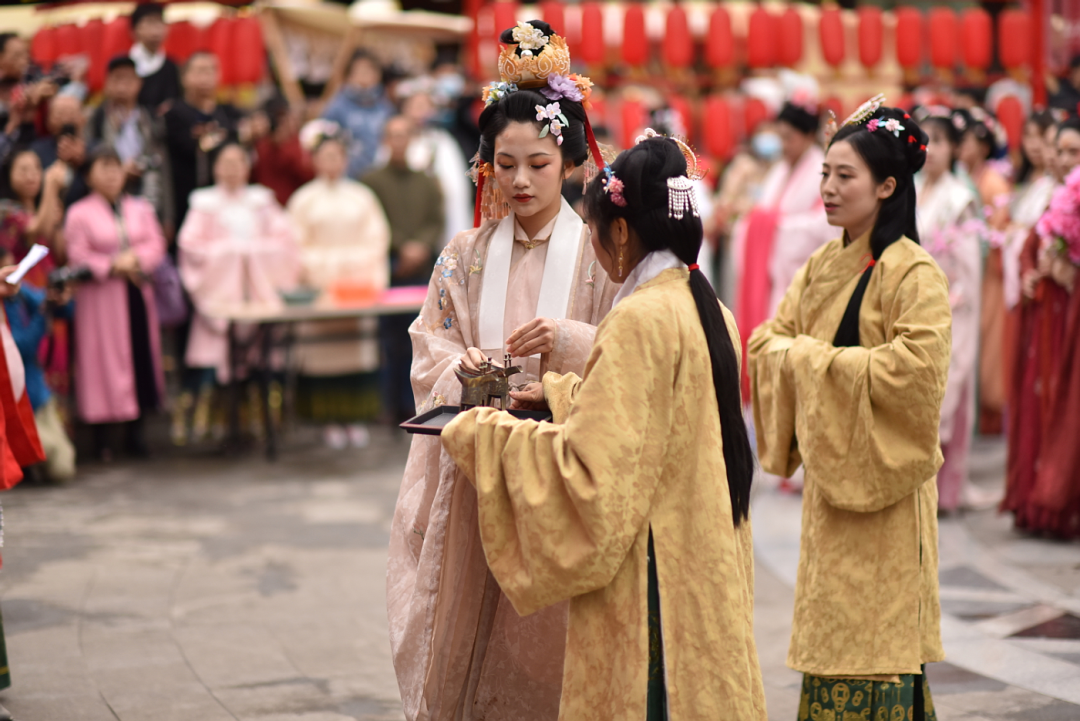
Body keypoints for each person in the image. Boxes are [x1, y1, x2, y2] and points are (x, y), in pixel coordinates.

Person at [440, 134, 766, 719]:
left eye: (595, 228)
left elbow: (593, 476)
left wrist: (487, 435)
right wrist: (563, 391)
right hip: (704, 553)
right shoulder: (710, 307)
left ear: (620, 231)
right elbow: (657, 424)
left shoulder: (638, 318)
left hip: (651, 570)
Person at [386, 21, 620, 720]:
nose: (520, 180)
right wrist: (463, 364)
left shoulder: (602, 253)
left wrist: (570, 342)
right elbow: (429, 338)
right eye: (506, 162)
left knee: (548, 628)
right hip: (474, 461)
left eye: (539, 164)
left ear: (574, 163)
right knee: (464, 609)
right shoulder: (465, 252)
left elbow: (631, 345)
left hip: (557, 466)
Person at [749, 100, 950, 720]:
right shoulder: (819, 266)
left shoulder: (913, 272)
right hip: (831, 483)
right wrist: (812, 358)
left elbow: (919, 371)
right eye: (825, 175)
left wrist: (810, 359)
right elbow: (764, 341)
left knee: (879, 641)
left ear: (888, 186)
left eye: (845, 176)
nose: (830, 188)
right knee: (833, 633)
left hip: (887, 488)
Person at [177, 143, 299, 431]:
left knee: (261, 360)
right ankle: (216, 428)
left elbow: (286, 243)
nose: (232, 169)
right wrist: (235, 254)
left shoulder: (262, 201)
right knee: (216, 363)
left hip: (258, 297)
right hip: (220, 299)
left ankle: (261, 424)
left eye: (238, 162)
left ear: (248, 167)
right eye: (225, 163)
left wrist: (249, 254)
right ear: (215, 167)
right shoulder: (202, 204)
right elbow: (191, 248)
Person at [287, 120, 390, 449]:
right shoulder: (302, 200)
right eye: (325, 156)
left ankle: (356, 417)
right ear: (315, 160)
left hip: (355, 289)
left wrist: (354, 270)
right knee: (322, 354)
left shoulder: (362, 196)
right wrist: (325, 270)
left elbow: (376, 242)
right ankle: (326, 419)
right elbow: (294, 248)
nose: (332, 162)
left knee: (355, 351)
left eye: (338, 155)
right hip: (319, 290)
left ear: (345, 159)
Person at [1002, 118, 1080, 537]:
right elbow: (1031, 246)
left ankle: (1061, 504)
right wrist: (1032, 271)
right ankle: (1037, 501)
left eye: (1073, 152)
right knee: (1039, 404)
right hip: (1046, 320)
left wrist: (1071, 276)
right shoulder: (1054, 197)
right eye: (1060, 149)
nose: (1062, 158)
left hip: (1070, 322)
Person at [731, 97, 839, 399]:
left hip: (799, 276)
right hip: (772, 269)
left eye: (789, 138)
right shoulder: (780, 170)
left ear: (807, 136)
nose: (784, 145)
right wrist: (757, 225)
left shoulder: (822, 169)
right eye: (781, 137)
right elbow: (763, 212)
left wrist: (771, 226)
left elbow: (824, 224)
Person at [65, 146, 167, 458]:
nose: (111, 174)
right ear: (88, 176)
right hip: (101, 298)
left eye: (116, 167)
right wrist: (111, 265)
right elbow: (77, 254)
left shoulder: (139, 207)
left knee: (138, 356)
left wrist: (136, 258)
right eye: (104, 168)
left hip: (136, 293)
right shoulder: (79, 212)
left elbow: (156, 242)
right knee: (101, 361)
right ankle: (101, 438)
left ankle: (136, 433)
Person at [913, 106, 985, 513]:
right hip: (914, 306)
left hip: (950, 307)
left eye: (939, 141)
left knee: (949, 388)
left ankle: (947, 489)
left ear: (955, 147)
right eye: (926, 140)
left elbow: (968, 271)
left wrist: (946, 301)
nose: (932, 149)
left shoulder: (960, 199)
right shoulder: (913, 189)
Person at [362, 115, 444, 425]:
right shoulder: (371, 181)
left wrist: (420, 246)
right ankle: (388, 405)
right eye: (392, 135)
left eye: (403, 135)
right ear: (385, 140)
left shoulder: (425, 180)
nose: (398, 141)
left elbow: (435, 219)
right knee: (389, 341)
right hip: (389, 269)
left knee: (421, 340)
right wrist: (400, 246)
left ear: (411, 139)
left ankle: (416, 404)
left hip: (421, 269)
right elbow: (372, 222)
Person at [956, 107, 1011, 434]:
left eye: (968, 141)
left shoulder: (994, 183)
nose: (963, 147)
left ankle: (988, 415)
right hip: (968, 271)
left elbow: (997, 233)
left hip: (988, 273)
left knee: (989, 342)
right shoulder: (968, 178)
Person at [0, 243, 75, 483]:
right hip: (10, 395)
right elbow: (20, 345)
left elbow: (53, 304)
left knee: (63, 465)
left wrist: (59, 300)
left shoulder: (18, 291)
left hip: (35, 391)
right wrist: (44, 313)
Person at [164, 52, 251, 233]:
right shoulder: (174, 114)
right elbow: (191, 147)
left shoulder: (229, 112)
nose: (207, 77)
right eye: (200, 71)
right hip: (185, 200)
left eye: (212, 71)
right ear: (184, 77)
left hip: (227, 200)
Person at [86, 56, 173, 227]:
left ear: (139, 83)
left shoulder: (151, 118)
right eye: (117, 78)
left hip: (147, 195)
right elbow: (89, 159)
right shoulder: (97, 118)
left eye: (128, 78)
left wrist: (168, 216)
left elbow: (164, 167)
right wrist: (119, 170)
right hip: (106, 199)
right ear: (107, 83)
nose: (122, 85)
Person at [397, 81, 471, 248]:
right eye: (414, 106)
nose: (418, 112)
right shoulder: (395, 138)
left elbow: (455, 190)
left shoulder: (441, 142)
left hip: (434, 222)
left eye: (424, 106)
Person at [322, 50, 394, 180]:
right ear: (349, 75)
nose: (365, 76)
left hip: (379, 175)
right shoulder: (337, 106)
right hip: (347, 176)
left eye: (369, 71)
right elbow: (325, 139)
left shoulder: (385, 106)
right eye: (359, 71)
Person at [251, 95, 314, 207]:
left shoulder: (301, 143)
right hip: (262, 206)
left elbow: (308, 176)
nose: (280, 123)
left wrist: (288, 143)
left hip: (293, 206)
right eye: (277, 118)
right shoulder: (260, 145)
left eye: (284, 118)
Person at [30, 95, 88, 207]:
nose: (66, 119)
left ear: (83, 118)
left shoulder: (95, 149)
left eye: (71, 113)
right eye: (60, 114)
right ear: (48, 121)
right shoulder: (37, 150)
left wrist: (84, 160)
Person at [128, 3, 182, 114]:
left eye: (160, 23)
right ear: (134, 29)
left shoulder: (173, 66)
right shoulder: (126, 64)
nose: (156, 29)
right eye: (150, 22)